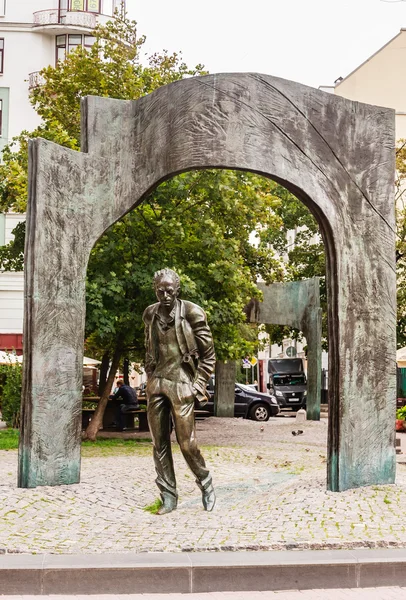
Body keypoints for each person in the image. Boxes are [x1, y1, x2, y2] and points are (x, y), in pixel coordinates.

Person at [143, 268, 216, 514]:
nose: (164, 296)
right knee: (159, 443)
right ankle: (168, 496)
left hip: (182, 384)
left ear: (178, 290)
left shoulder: (193, 313)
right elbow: (149, 349)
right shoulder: (150, 314)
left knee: (187, 445)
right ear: (155, 290)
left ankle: (205, 482)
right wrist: (150, 378)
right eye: (160, 291)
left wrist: (197, 386)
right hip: (157, 384)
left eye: (169, 291)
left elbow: (209, 356)